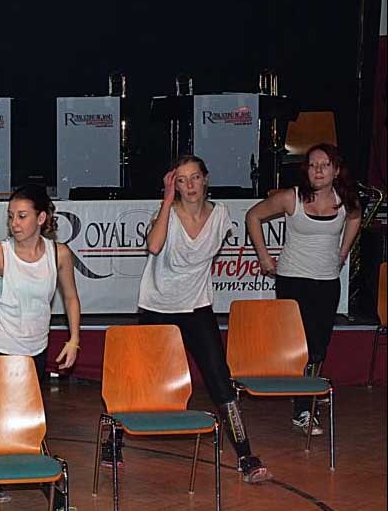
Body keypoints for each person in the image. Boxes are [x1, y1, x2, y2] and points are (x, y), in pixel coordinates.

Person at [134, 155, 271, 483]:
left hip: (197, 307)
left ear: (205, 179)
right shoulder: (167, 214)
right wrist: (167, 199)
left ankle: (246, 456)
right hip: (157, 306)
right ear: (175, 185)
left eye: (195, 177)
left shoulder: (221, 215)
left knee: (220, 379)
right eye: (181, 180)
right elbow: (154, 246)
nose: (190, 185)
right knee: (141, 381)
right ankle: (113, 442)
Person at [0, 184, 82, 511]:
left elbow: (70, 297)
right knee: (0, 417)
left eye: (22, 216)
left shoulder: (59, 254)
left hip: (35, 349)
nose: (15, 223)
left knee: (28, 420)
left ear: (41, 218)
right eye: (11, 217)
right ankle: (48, 494)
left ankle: (27, 478)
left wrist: (74, 338)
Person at [245, 143, 360, 435]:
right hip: (293, 280)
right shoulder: (290, 198)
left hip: (327, 281)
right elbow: (253, 216)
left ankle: (306, 394)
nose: (318, 170)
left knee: (319, 346)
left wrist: (343, 252)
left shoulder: (345, 200)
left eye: (324, 165)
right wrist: (264, 257)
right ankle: (303, 409)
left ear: (336, 170)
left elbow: (355, 217)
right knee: (300, 346)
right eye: (312, 165)